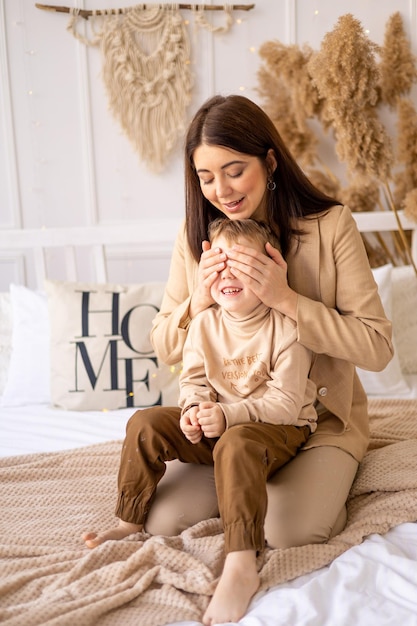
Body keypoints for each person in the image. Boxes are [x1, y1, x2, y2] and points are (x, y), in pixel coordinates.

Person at [83, 94, 393, 625]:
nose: (221, 191)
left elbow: (378, 348)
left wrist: (287, 300)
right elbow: (164, 343)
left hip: (311, 420)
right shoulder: (195, 237)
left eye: (234, 171)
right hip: (225, 422)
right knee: (164, 521)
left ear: (269, 163)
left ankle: (284, 501)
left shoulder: (331, 226)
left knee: (288, 530)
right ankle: (243, 478)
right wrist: (199, 302)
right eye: (205, 177)